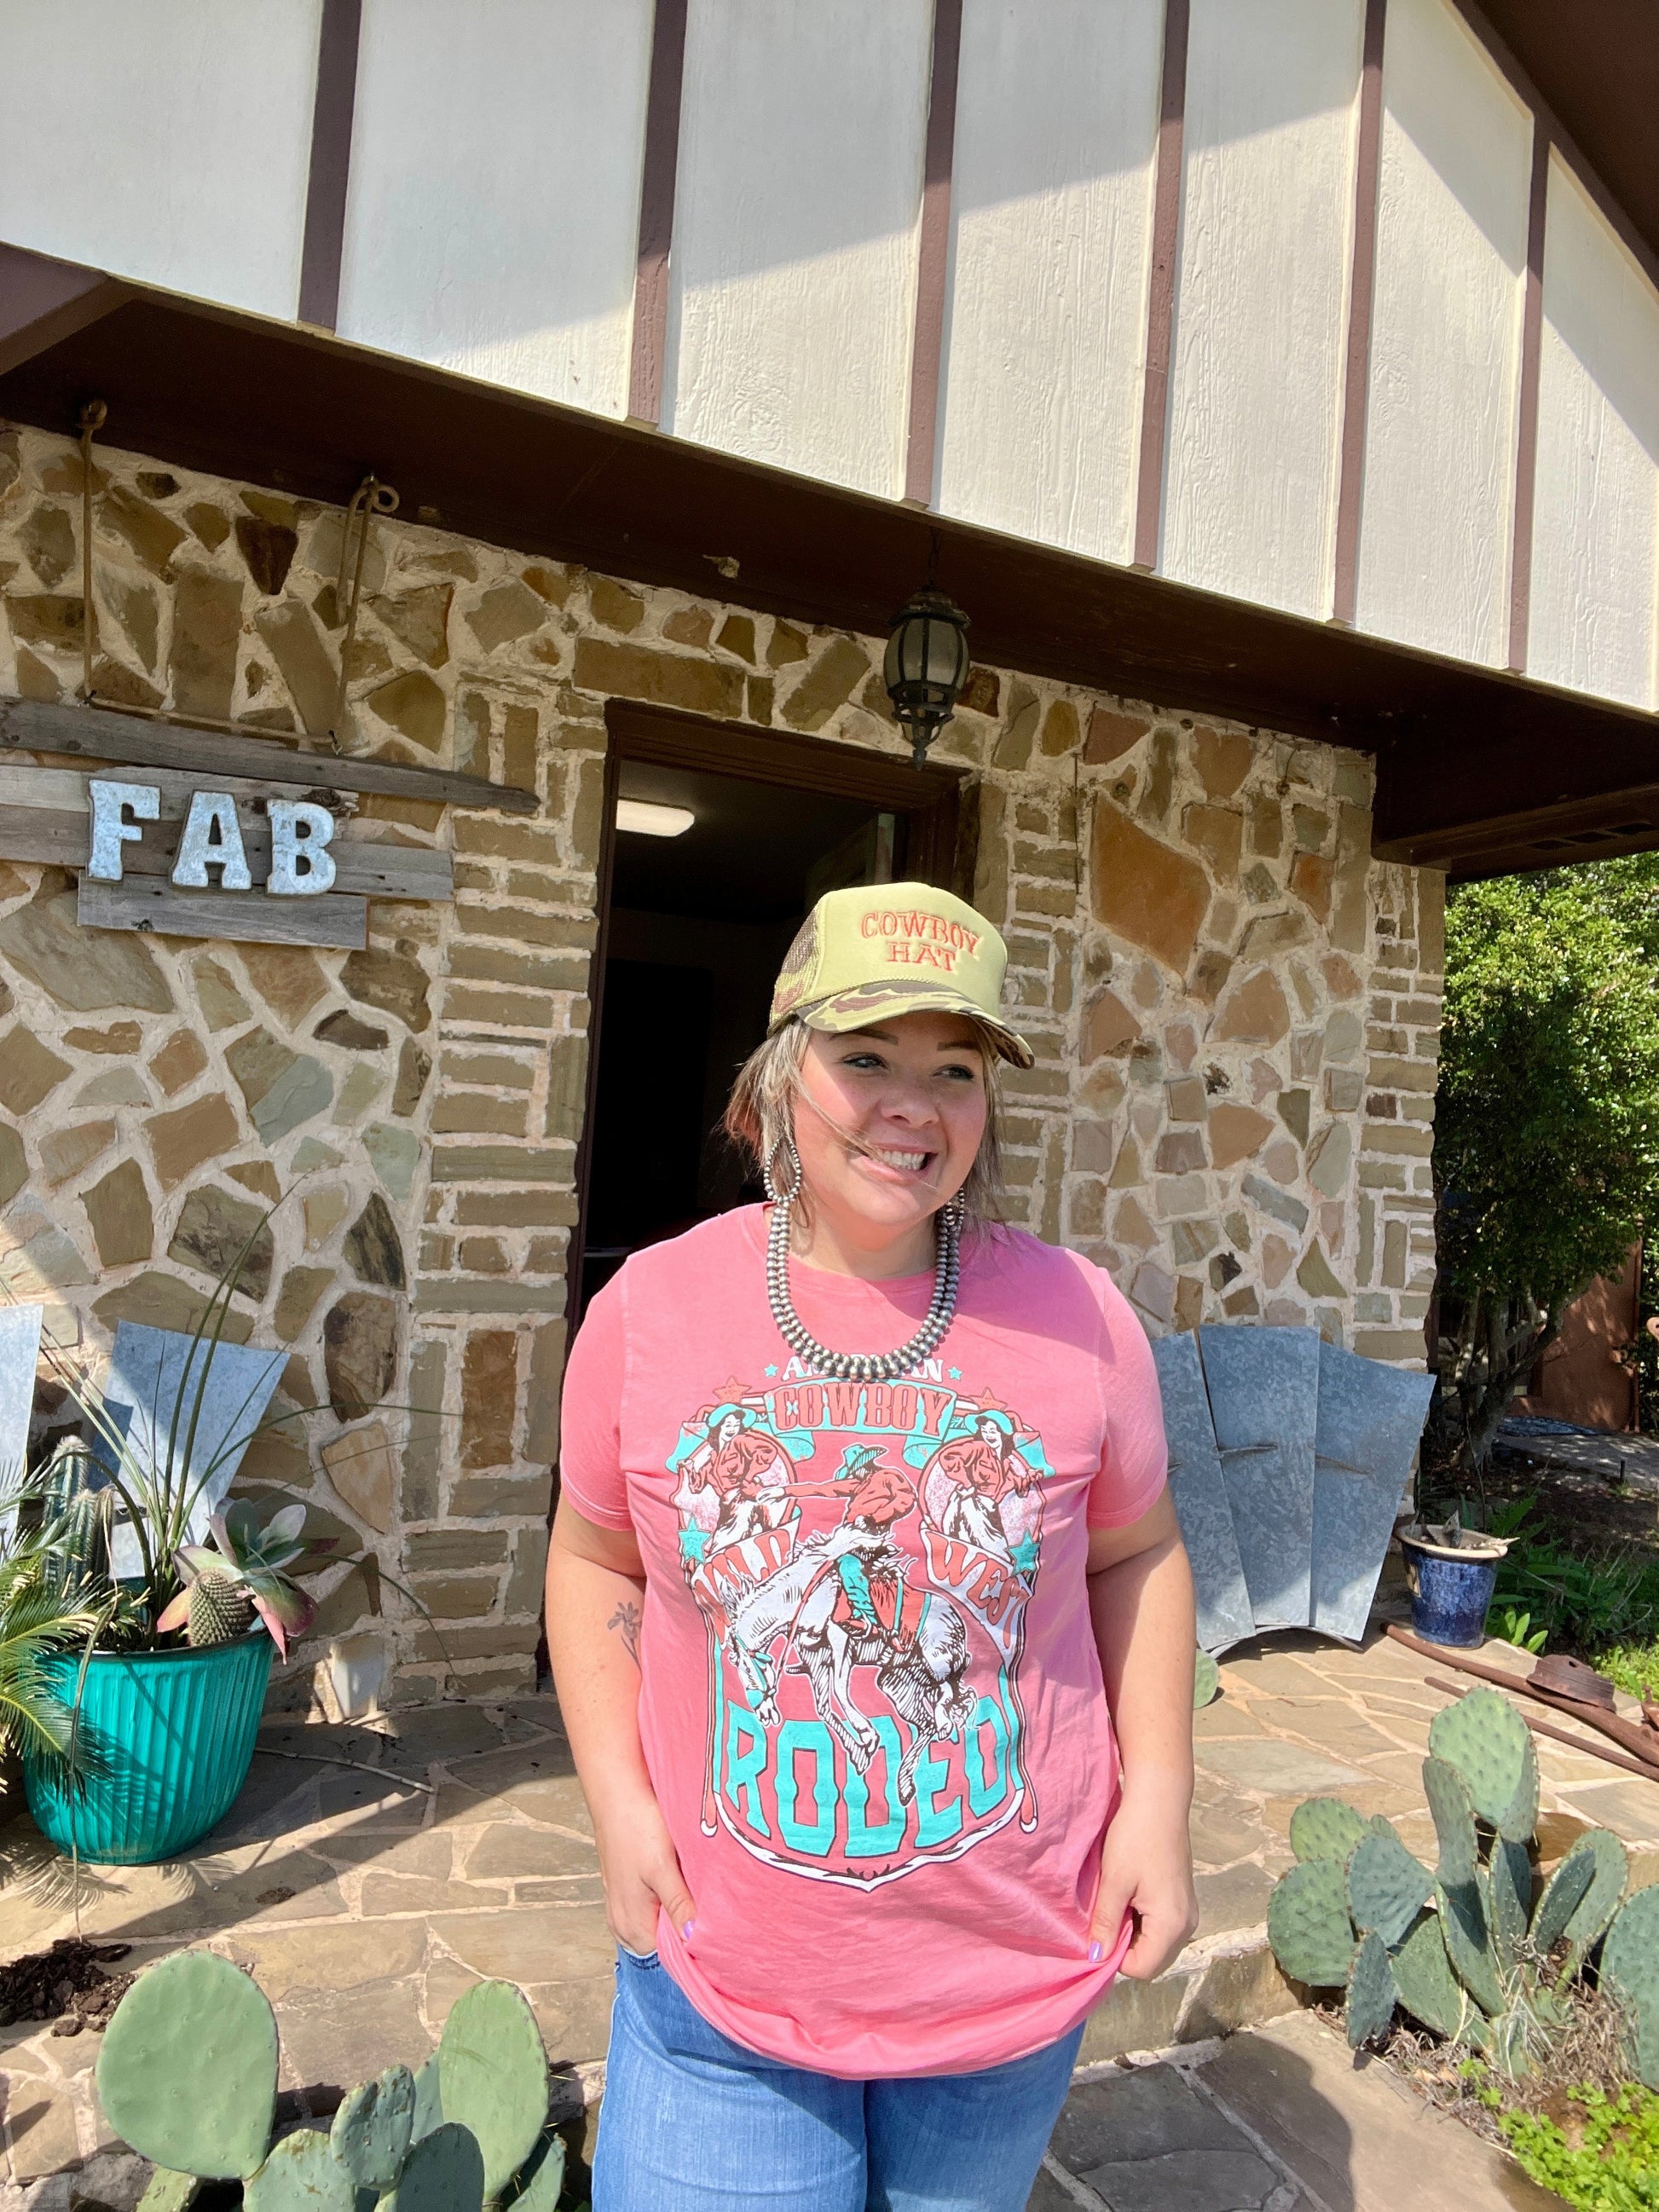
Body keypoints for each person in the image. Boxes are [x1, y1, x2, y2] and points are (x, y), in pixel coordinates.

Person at [548, 880, 1198, 2211]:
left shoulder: (1082, 1318)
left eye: (954, 1069)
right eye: (864, 1059)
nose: (913, 1105)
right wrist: (617, 1802)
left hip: (1009, 1972)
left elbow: (1135, 1555)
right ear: (779, 1079)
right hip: (724, 1980)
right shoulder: (649, 1310)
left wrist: (1159, 1803)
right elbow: (594, 1559)